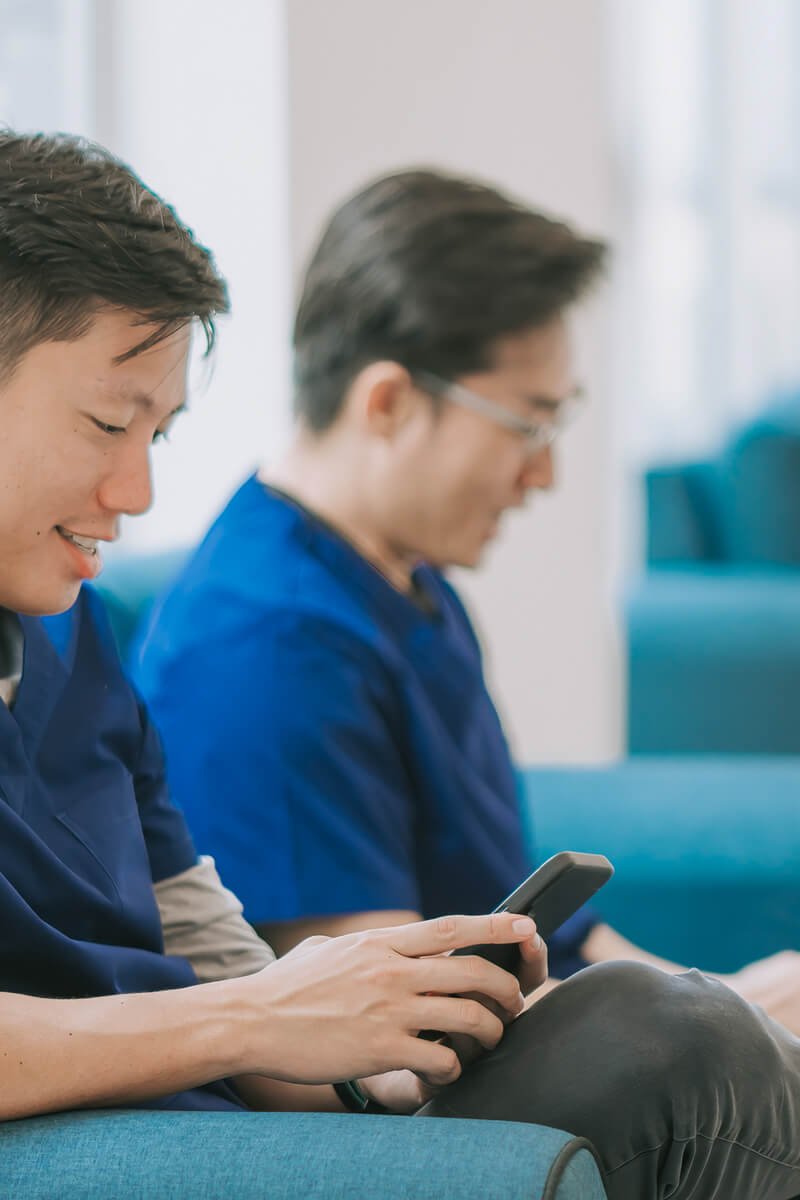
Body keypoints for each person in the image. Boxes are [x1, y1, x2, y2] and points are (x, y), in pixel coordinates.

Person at [0, 133, 797, 1199]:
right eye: (109, 426)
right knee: (674, 1039)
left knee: (663, 1030)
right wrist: (255, 1016)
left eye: (160, 436)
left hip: (250, 1140)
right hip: (140, 1168)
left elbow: (220, 967)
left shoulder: (68, 632)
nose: (140, 493)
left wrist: (378, 1044)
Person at [130, 168, 800, 1016]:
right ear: (390, 402)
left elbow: (550, 928)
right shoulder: (269, 648)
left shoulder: (404, 580)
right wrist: (726, 1032)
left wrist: (729, 1002)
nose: (545, 473)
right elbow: (390, 1035)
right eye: (528, 424)